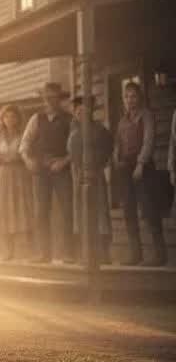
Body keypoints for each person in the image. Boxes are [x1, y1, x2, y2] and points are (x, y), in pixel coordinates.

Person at [20, 83, 75, 263]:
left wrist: (64, 161)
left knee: (67, 210)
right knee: (41, 211)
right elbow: (24, 144)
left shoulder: (69, 119)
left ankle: (68, 253)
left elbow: (76, 147)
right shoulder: (37, 119)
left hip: (61, 169)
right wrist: (29, 161)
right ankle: (44, 253)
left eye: (53, 97)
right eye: (46, 97)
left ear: (60, 99)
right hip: (41, 171)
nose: (49, 101)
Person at [113, 82, 164, 266]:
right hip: (126, 169)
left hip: (143, 168)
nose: (129, 100)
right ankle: (135, 254)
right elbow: (118, 143)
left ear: (139, 98)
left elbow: (148, 140)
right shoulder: (122, 121)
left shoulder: (146, 116)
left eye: (133, 96)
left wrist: (141, 164)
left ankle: (159, 255)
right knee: (129, 211)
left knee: (149, 210)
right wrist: (117, 159)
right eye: (126, 97)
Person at [68, 97, 113, 263]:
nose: (80, 114)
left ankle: (104, 253)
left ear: (90, 112)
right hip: (79, 175)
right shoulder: (74, 133)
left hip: (96, 174)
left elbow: (108, 148)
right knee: (81, 212)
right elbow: (72, 154)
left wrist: (96, 163)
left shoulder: (100, 130)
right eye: (77, 112)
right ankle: (85, 253)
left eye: (83, 111)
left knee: (100, 211)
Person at [0, 105, 32, 261]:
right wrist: (5, 159)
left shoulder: (22, 137)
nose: (10, 120)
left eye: (13, 117)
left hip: (19, 174)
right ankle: (6, 251)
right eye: (6, 117)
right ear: (2, 120)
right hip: (4, 175)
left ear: (18, 119)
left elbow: (24, 154)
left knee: (20, 206)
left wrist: (15, 158)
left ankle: (22, 249)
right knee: (4, 209)